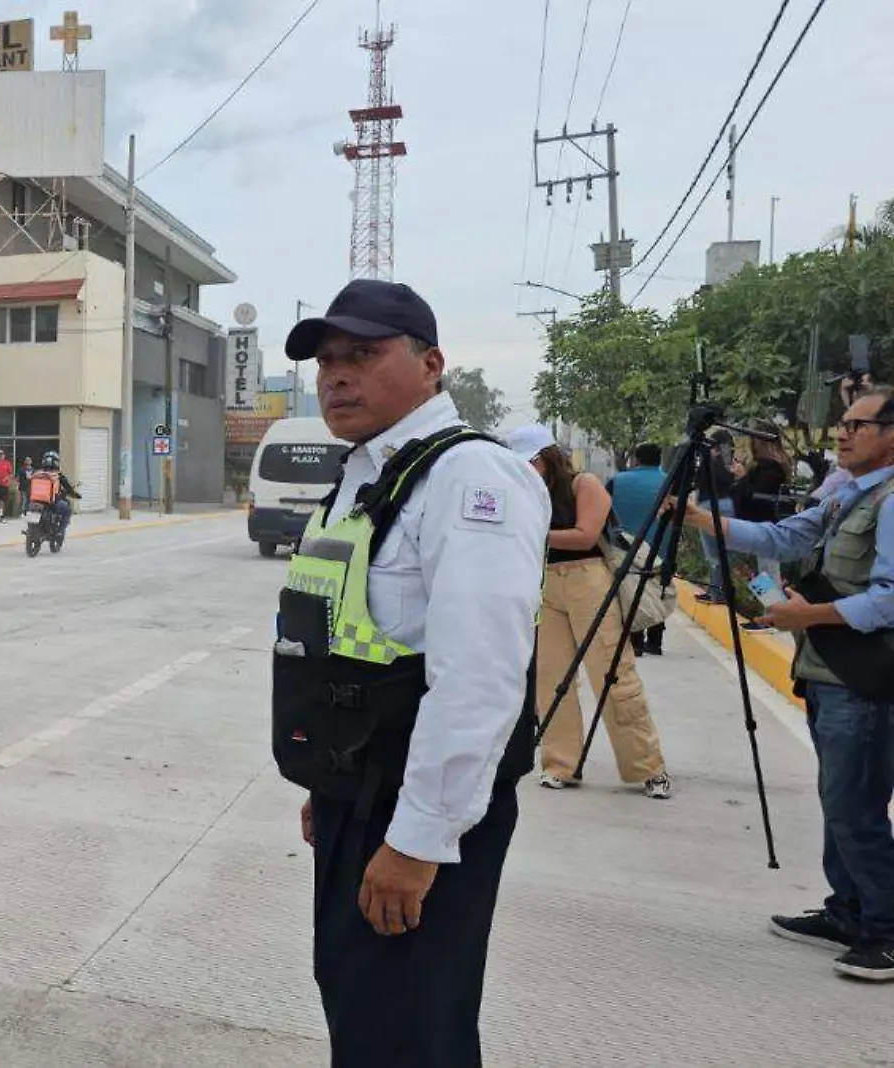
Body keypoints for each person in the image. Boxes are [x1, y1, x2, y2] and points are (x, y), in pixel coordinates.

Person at [274, 279, 549, 1066]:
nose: (336, 375)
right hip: (358, 795)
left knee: (411, 1029)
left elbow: (479, 679)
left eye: (362, 354)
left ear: (431, 364)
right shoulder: (368, 472)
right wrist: (326, 783)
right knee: (362, 1010)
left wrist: (420, 840)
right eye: (327, 359)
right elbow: (355, 638)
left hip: (414, 812)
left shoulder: (469, 480)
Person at [676, 388, 894, 984]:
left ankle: (886, 932)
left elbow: (891, 597)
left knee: (857, 808)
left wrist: (808, 617)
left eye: (856, 423)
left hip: (864, 678)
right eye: (842, 422)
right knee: (838, 800)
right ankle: (847, 911)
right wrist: (701, 519)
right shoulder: (848, 496)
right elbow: (784, 539)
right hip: (829, 672)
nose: (841, 433)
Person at [509, 425, 674, 799]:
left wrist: (527, 531)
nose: (525, 470)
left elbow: (585, 535)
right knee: (550, 679)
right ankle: (560, 765)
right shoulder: (526, 492)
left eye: (530, 462)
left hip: (588, 580)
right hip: (545, 583)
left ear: (546, 457)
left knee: (613, 675)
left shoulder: (584, 484)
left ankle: (649, 767)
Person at [608, 442, 671, 656]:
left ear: (636, 459)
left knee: (630, 590)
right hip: (661, 547)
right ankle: (655, 641)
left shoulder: (617, 481)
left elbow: (604, 511)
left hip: (627, 548)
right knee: (659, 591)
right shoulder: (669, 482)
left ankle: (635, 642)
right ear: (659, 459)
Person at [733, 429, 793, 631]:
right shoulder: (774, 466)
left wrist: (742, 477)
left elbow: (754, 496)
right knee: (761, 574)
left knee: (768, 573)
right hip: (760, 525)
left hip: (763, 526)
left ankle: (774, 616)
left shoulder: (770, 469)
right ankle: (771, 614)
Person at [695, 429, 738, 603]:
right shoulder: (732, 464)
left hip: (708, 506)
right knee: (727, 553)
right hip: (730, 506)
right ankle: (723, 590)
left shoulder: (708, 462)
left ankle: (716, 591)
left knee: (713, 553)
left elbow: (698, 482)